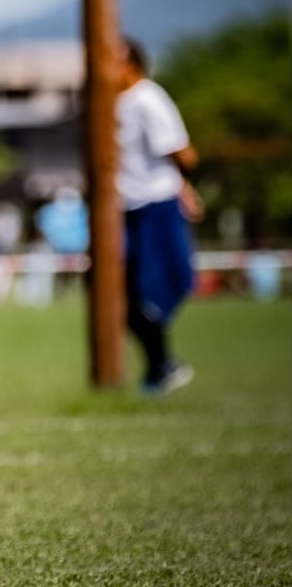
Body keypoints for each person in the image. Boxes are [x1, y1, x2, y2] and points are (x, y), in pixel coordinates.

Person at [117, 36, 201, 395]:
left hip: (155, 204)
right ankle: (161, 367)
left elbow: (183, 153)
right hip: (124, 209)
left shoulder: (147, 99)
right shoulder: (110, 103)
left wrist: (183, 185)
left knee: (161, 285)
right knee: (125, 295)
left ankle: (160, 366)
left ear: (131, 63)